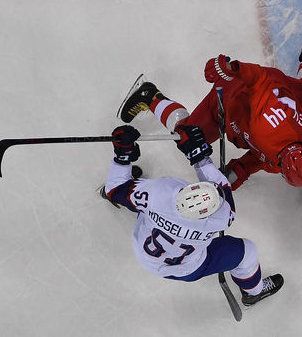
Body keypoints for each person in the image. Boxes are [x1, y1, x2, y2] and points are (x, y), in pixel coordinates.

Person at [100, 123, 283, 306]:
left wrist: (123, 157)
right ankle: (254, 292)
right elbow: (223, 186)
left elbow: (114, 189)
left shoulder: (159, 193)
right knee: (248, 252)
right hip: (188, 269)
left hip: (145, 255)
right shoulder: (220, 218)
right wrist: (199, 156)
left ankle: (128, 193)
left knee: (129, 194)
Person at [117, 43, 302, 190]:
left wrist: (237, 172)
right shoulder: (267, 126)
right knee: (189, 135)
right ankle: (149, 96)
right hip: (234, 94)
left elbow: (260, 158)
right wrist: (232, 69)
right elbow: (259, 78)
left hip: (277, 88)